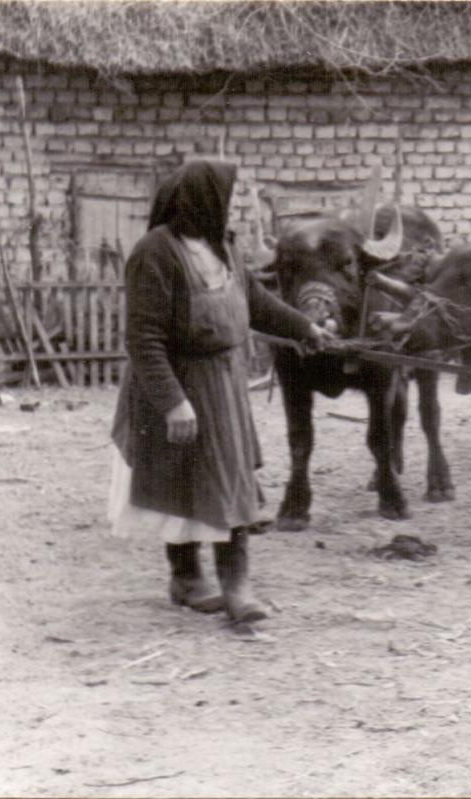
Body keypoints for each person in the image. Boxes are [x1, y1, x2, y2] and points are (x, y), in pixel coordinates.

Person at [108, 160, 333, 624]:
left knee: (230, 479)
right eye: (225, 199)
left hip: (223, 385)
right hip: (176, 382)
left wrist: (303, 327)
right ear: (202, 200)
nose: (231, 210)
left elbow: (257, 305)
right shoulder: (155, 253)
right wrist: (173, 403)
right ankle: (193, 578)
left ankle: (232, 583)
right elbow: (143, 338)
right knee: (179, 481)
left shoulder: (223, 249)